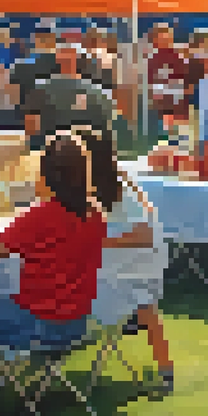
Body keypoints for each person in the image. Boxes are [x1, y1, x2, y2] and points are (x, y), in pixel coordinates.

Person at [0, 131, 150, 416]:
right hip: (75, 322)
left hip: (39, 322)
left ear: (46, 174)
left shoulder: (40, 215)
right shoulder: (94, 212)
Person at [84, 127, 174, 393]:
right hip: (125, 263)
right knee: (146, 308)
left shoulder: (120, 187)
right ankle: (165, 369)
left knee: (145, 305)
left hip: (133, 264)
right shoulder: (106, 185)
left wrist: (97, 243)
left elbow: (144, 234)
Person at [22, 44, 115, 147]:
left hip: (62, 151)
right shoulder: (41, 89)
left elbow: (31, 127)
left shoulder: (97, 93)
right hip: (52, 151)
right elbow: (31, 126)